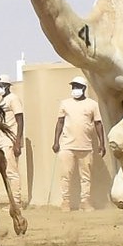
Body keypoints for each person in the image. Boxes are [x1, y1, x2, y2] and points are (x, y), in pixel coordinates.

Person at [52, 77, 103, 211]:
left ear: (84, 88)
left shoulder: (92, 104)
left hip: (86, 146)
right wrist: (56, 141)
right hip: (67, 146)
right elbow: (60, 122)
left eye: (77, 86)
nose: (75, 89)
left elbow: (98, 123)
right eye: (73, 86)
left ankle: (85, 201)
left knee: (86, 177)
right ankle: (65, 201)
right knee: (65, 175)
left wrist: (102, 143)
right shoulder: (65, 103)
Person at [0, 76, 25, 204]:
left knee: (12, 172)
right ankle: (13, 201)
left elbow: (20, 119)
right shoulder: (2, 100)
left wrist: (17, 141)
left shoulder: (13, 99)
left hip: (10, 140)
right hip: (2, 140)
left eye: (0, 85)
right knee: (7, 172)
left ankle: (16, 202)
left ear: (7, 86)